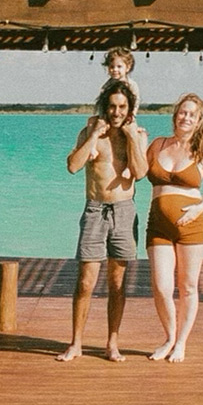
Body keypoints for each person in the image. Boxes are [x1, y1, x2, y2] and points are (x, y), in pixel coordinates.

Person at [57, 78, 148, 362]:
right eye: (112, 106)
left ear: (130, 108)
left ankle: (112, 344)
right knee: (85, 282)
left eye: (122, 107)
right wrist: (94, 134)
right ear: (104, 107)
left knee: (117, 283)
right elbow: (73, 166)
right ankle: (76, 343)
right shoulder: (90, 130)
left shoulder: (137, 134)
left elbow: (141, 172)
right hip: (95, 210)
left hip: (124, 210)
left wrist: (133, 137)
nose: (116, 112)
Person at [145, 93, 203, 362]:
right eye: (182, 112)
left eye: (192, 114)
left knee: (187, 286)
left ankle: (181, 343)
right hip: (158, 225)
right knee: (161, 286)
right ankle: (169, 337)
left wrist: (199, 208)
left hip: (192, 226)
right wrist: (135, 139)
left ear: (200, 120)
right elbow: (136, 169)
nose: (185, 117)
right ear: (175, 114)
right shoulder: (157, 144)